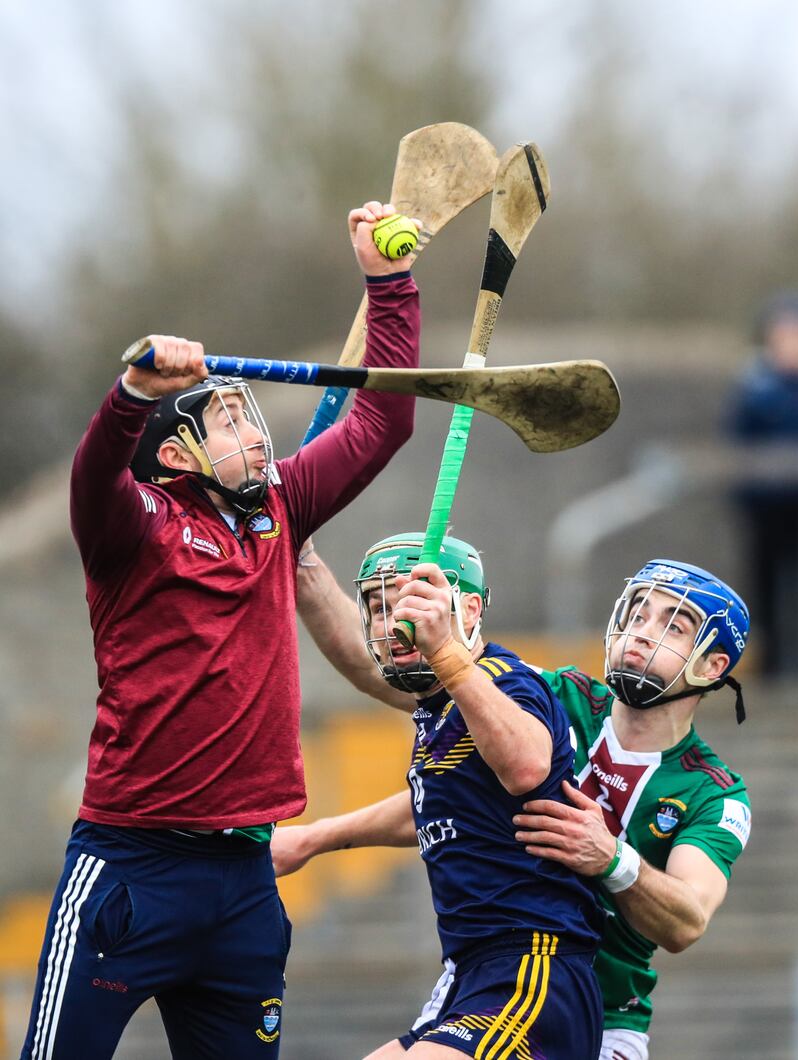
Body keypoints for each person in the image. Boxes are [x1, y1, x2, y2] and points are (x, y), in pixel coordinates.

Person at [21, 201, 420, 1060]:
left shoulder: (281, 504)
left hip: (247, 877)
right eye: (225, 421)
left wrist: (389, 285)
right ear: (173, 456)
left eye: (248, 414)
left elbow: (385, 420)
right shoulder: (133, 528)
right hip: (130, 867)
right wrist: (133, 396)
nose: (253, 430)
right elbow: (95, 475)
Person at [290, 549, 752, 1060]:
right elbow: (441, 787)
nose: (643, 630)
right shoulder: (557, 696)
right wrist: (303, 561)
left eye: (674, 624)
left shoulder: (713, 791)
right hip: (487, 975)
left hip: (602, 1012)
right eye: (637, 613)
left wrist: (613, 859)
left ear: (714, 666)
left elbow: (686, 920)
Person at [277, 532, 605, 1059]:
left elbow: (525, 766)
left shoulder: (506, 682)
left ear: (469, 609)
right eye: (379, 608)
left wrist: (447, 654)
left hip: (534, 965)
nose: (394, 623)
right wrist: (315, 838)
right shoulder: (438, 705)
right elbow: (435, 804)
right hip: (467, 972)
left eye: (412, 604)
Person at [723, 289, 798, 677]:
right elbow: (738, 444)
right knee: (765, 586)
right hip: (766, 507)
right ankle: (771, 667)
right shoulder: (757, 386)